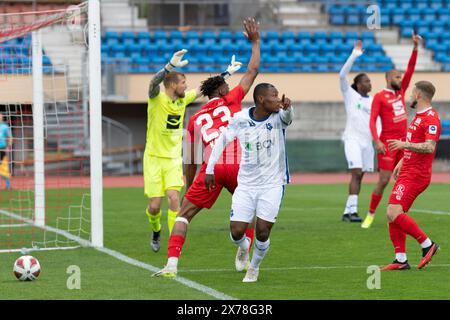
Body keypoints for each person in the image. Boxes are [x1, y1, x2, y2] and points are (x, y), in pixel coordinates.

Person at [152, 17, 260, 278]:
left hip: (210, 169)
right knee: (252, 209)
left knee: (183, 215)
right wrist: (255, 42)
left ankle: (171, 265)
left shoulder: (195, 118)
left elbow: (189, 158)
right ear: (223, 89)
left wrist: (190, 185)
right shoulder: (232, 99)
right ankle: (244, 246)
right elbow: (253, 71)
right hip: (238, 165)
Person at [144, 49, 242, 252]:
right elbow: (153, 83)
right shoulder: (156, 99)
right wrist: (169, 66)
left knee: (173, 197)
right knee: (154, 206)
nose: (186, 87)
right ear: (172, 85)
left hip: (172, 158)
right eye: (182, 83)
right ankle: (156, 229)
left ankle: (173, 242)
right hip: (153, 158)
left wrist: (227, 73)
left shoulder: (182, 100)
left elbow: (205, 89)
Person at [205, 83, 293, 283]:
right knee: (236, 232)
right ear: (261, 99)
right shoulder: (240, 119)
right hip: (246, 184)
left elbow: (288, 117)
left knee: (262, 232)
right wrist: (210, 169)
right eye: (274, 96)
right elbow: (222, 140)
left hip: (272, 184)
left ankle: (253, 268)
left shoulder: (279, 116)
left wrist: (288, 108)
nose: (278, 99)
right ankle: (244, 248)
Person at [362, 32, 421, 229]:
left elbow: (411, 69)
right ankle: (370, 214)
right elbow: (372, 120)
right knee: (384, 179)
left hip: (403, 142)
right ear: (388, 78)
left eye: (401, 76)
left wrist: (415, 48)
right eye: (397, 76)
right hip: (387, 143)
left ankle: (397, 212)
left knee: (403, 177)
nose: (401, 78)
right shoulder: (380, 96)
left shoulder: (401, 92)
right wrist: (377, 140)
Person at [382, 80, 440, 270]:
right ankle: (400, 259)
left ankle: (427, 245)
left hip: (417, 174)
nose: (409, 95)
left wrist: (404, 146)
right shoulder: (418, 116)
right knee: (392, 214)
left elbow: (429, 147)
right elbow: (414, 142)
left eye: (412, 92)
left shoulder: (431, 118)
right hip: (408, 169)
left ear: (418, 95)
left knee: (393, 211)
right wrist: (401, 161)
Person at [339, 40, 377, 223]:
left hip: (367, 142)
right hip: (352, 139)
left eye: (370, 81)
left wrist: (379, 139)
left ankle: (347, 211)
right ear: (358, 84)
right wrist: (354, 54)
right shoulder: (350, 94)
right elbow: (341, 75)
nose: (370, 83)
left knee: (360, 175)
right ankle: (353, 211)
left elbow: (377, 122)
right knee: (356, 172)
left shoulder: (374, 100)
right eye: (366, 81)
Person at [0, 114, 12, 190]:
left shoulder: (5, 127)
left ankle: (8, 186)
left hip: (2, 149)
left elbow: (10, 137)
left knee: (4, 168)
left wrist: (9, 146)